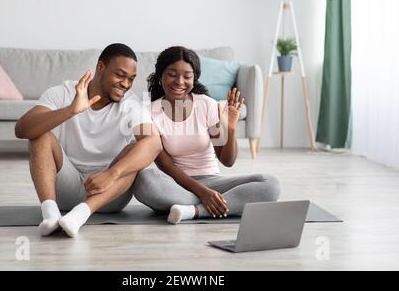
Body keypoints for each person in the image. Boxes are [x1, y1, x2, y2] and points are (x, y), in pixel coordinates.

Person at [15, 43, 162, 237]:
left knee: (136, 148)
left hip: (108, 194)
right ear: (101, 67)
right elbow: (22, 129)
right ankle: (50, 215)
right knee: (40, 135)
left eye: (131, 79)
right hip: (66, 188)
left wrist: (112, 173)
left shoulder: (131, 103)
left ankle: (79, 216)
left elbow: (154, 143)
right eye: (120, 75)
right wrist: (71, 110)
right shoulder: (65, 92)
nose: (125, 84)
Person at [133, 46, 280, 224]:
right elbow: (166, 167)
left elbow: (227, 161)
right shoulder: (149, 113)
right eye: (172, 74)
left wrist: (231, 130)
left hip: (214, 182)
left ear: (194, 79)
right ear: (160, 76)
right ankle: (219, 204)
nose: (180, 81)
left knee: (270, 184)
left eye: (187, 76)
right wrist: (203, 193)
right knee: (143, 180)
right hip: (177, 185)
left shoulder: (206, 105)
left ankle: (194, 211)